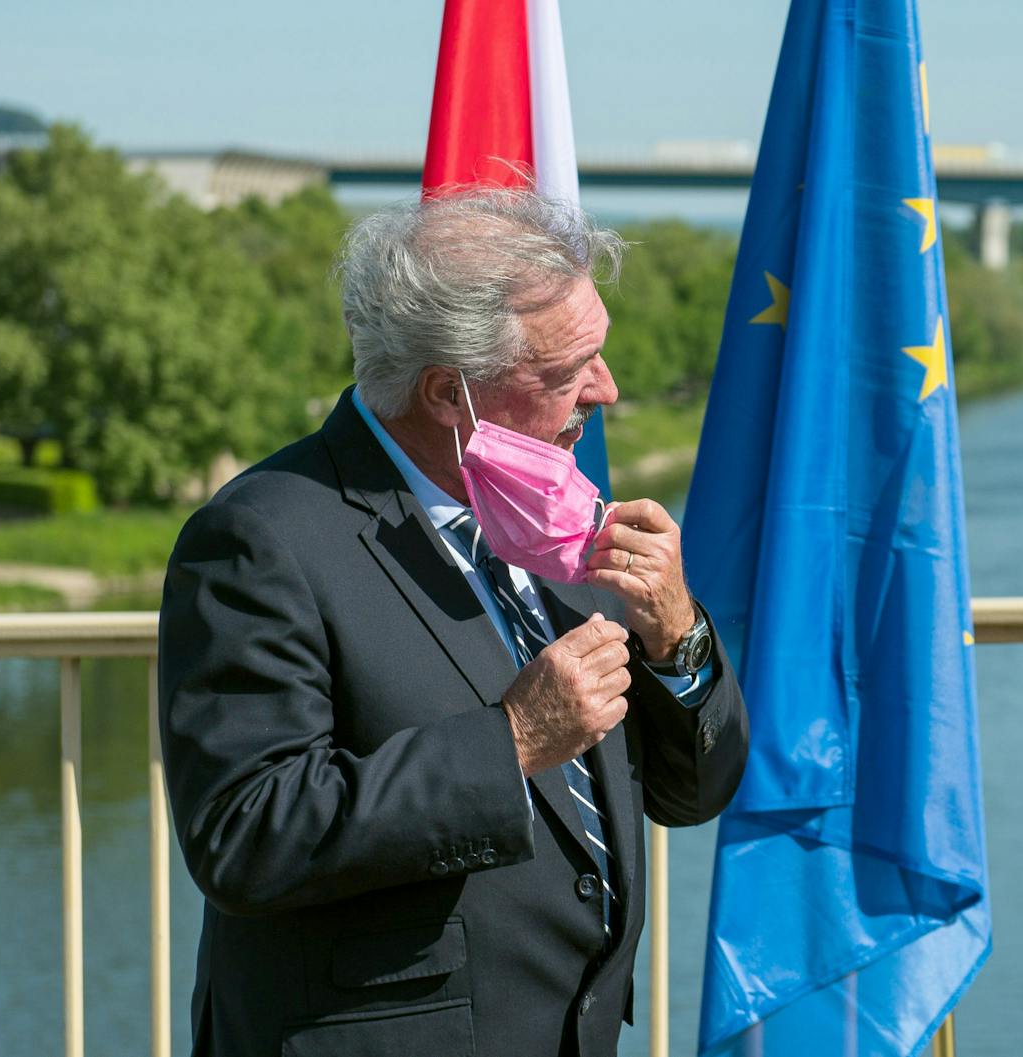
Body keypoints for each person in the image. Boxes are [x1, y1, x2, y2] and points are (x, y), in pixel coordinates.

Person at [158, 187, 748, 1057]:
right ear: (447, 392)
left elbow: (691, 792)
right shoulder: (259, 537)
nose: (608, 389)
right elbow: (246, 834)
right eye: (567, 369)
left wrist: (675, 635)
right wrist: (510, 739)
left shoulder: (555, 509)